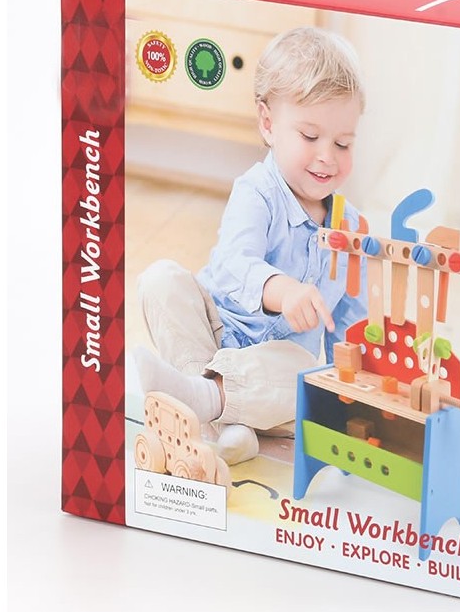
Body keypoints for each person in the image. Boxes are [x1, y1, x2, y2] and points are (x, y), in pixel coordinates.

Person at [134, 26, 367, 465]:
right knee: (160, 280)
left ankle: (212, 414)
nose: (327, 156)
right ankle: (216, 413)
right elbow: (233, 265)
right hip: (217, 333)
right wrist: (283, 290)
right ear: (268, 124)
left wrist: (358, 392)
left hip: (272, 377)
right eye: (310, 137)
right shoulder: (256, 192)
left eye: (343, 143)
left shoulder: (352, 231)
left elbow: (351, 326)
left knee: (306, 376)